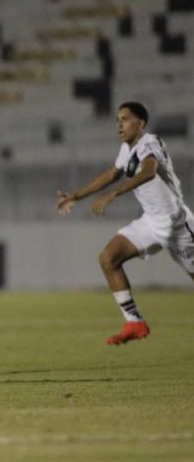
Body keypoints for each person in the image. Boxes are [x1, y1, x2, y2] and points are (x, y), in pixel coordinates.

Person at [57, 101, 194, 344]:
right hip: (150, 223)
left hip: (176, 224)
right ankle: (135, 323)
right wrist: (76, 196)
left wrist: (114, 194)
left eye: (125, 119)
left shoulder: (149, 142)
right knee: (108, 258)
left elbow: (149, 171)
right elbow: (112, 173)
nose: (119, 124)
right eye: (117, 119)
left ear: (140, 124)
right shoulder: (127, 149)